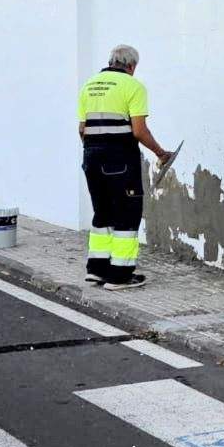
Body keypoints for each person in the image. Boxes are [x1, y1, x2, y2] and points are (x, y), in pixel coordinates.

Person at [78, 44, 172, 287]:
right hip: (119, 159)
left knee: (102, 212)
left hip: (91, 158)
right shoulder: (133, 86)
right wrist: (161, 154)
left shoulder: (89, 85)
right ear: (131, 66)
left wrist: (94, 151)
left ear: (111, 62)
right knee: (127, 213)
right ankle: (120, 275)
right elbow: (139, 131)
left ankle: (97, 269)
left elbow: (82, 128)